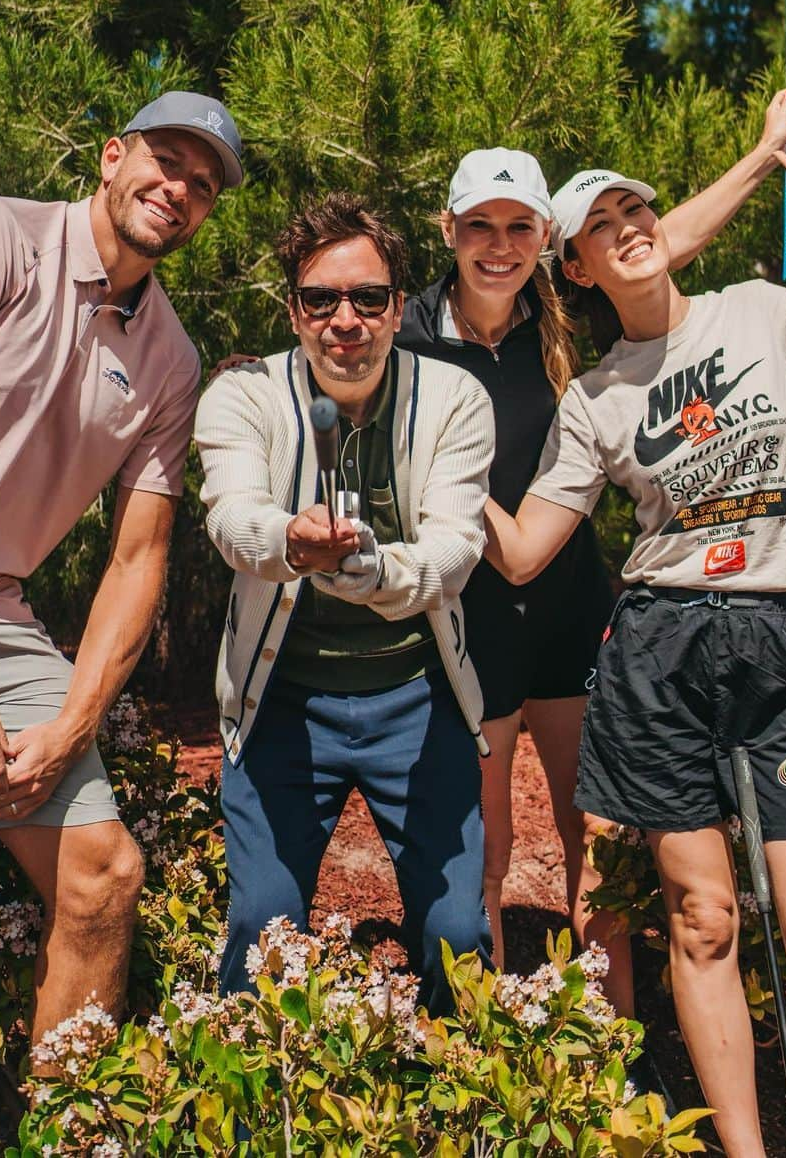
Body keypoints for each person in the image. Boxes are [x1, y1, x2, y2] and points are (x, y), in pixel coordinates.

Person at [484, 139, 786, 1155]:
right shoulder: (594, 398)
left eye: (634, 208)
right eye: (598, 226)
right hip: (660, 654)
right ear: (579, 268)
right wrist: (433, 464)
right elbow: (520, 554)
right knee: (704, 925)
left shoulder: (760, 309)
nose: (627, 227)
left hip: (785, 648)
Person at [394, 89, 786, 1000]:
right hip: (471, 621)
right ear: (450, 229)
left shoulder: (561, 315)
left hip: (574, 613)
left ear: (548, 240)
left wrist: (764, 153)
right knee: (488, 850)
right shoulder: (406, 336)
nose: (499, 246)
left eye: (520, 228)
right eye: (480, 227)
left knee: (602, 845)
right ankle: (488, 1054)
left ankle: (611, 1048)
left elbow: (671, 240)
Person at [0, 90, 242, 1058]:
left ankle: (68, 1127)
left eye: (202, 185)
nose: (179, 189)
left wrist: (73, 726)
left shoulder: (170, 363)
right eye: (166, 160)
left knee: (103, 877)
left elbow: (138, 556)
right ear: (112, 156)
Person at [194, 191, 495, 1013]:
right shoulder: (244, 396)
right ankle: (255, 1127)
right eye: (320, 299)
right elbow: (231, 514)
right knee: (262, 928)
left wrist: (372, 574)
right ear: (293, 311)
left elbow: (455, 547)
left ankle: (459, 1117)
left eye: (369, 298)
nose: (345, 320)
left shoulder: (455, 400)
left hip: (416, 698)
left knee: (458, 938)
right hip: (283, 702)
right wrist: (291, 541)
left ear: (401, 307)